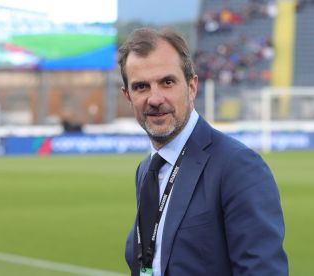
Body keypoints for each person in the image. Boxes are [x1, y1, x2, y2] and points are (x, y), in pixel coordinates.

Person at [118, 28, 288, 276]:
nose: (155, 99)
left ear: (192, 86)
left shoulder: (237, 166)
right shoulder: (146, 171)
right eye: (141, 87)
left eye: (167, 82)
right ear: (128, 96)